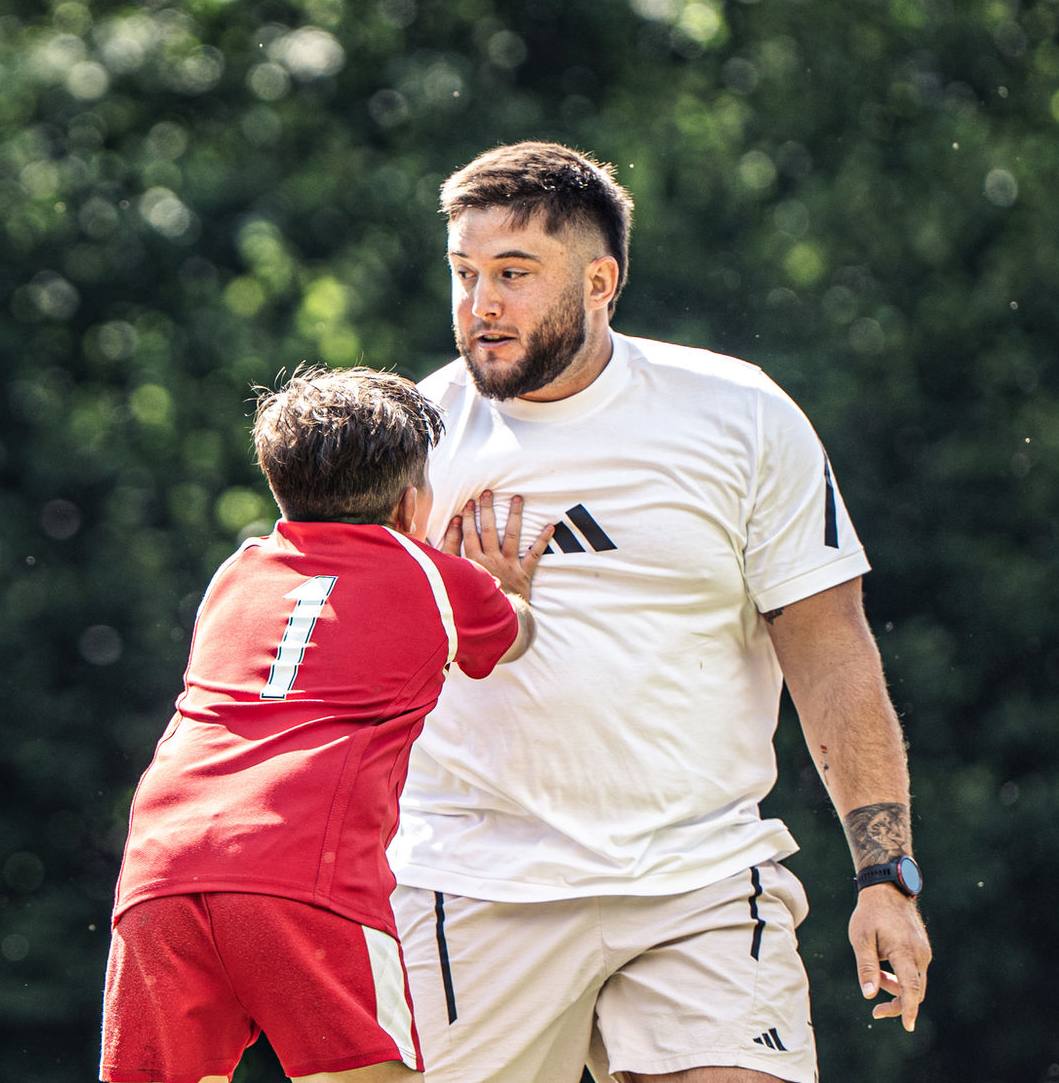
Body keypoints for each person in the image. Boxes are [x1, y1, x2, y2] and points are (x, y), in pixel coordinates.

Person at [388, 142, 932, 1083]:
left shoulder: (742, 415)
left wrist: (886, 876)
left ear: (600, 280)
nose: (480, 305)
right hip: (474, 880)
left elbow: (832, 654)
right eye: (464, 273)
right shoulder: (416, 439)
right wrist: (440, 605)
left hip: (700, 877)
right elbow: (327, 664)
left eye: (514, 274)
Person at [100, 366, 552, 1083]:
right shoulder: (433, 576)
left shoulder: (236, 572)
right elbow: (512, 637)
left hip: (161, 871)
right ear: (411, 505)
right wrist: (508, 590)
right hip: (302, 874)